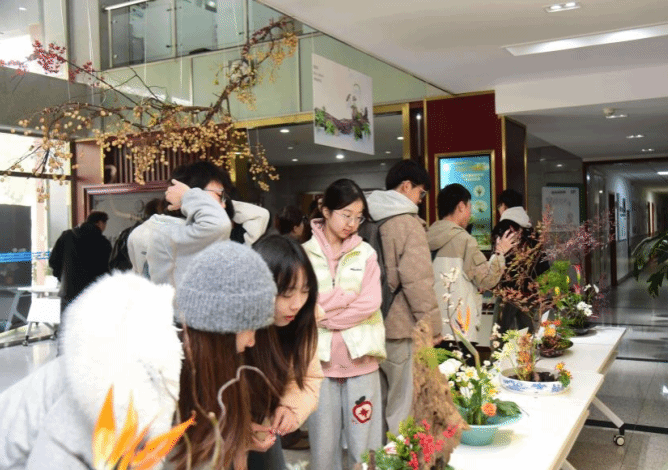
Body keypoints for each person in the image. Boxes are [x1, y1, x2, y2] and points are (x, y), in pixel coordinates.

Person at [0, 241, 277, 470]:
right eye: (250, 327)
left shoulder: (180, 367)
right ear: (219, 332)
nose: (252, 341)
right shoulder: (116, 379)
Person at [303, 178, 385, 470]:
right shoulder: (303, 254)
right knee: (323, 449)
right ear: (325, 211)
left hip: (361, 361)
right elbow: (302, 304)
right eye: (346, 215)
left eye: (358, 217)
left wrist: (323, 315)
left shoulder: (366, 253)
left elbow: (370, 303)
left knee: (365, 450)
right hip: (319, 365)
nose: (352, 223)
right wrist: (343, 298)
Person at [365, 160, 442, 436]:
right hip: (400, 327)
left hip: (368, 325)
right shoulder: (408, 224)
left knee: (375, 405)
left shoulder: (365, 218)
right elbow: (418, 282)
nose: (421, 200)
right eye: (421, 193)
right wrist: (432, 327)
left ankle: (375, 457)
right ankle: (400, 456)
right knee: (402, 406)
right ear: (406, 186)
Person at [246, 234, 323, 469]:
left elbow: (308, 377)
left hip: (263, 430)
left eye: (305, 290)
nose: (297, 304)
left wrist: (290, 408)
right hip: (219, 435)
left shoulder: (303, 319)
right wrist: (235, 430)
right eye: (287, 293)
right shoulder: (232, 325)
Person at [428, 183, 516, 343]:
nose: (470, 214)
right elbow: (487, 280)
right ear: (461, 206)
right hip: (458, 329)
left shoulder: (425, 237)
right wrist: (500, 252)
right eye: (469, 208)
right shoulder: (464, 240)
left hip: (430, 329)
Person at [492, 189, 550, 333]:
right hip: (529, 293)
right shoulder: (532, 231)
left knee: (500, 336)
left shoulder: (502, 229)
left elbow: (497, 261)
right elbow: (543, 265)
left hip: (507, 293)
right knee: (527, 337)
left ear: (504, 206)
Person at [49, 211, 112, 311]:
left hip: (68, 293)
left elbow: (53, 261)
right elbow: (106, 270)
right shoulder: (104, 243)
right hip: (92, 296)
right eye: (105, 224)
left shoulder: (67, 236)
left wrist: (63, 279)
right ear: (100, 223)